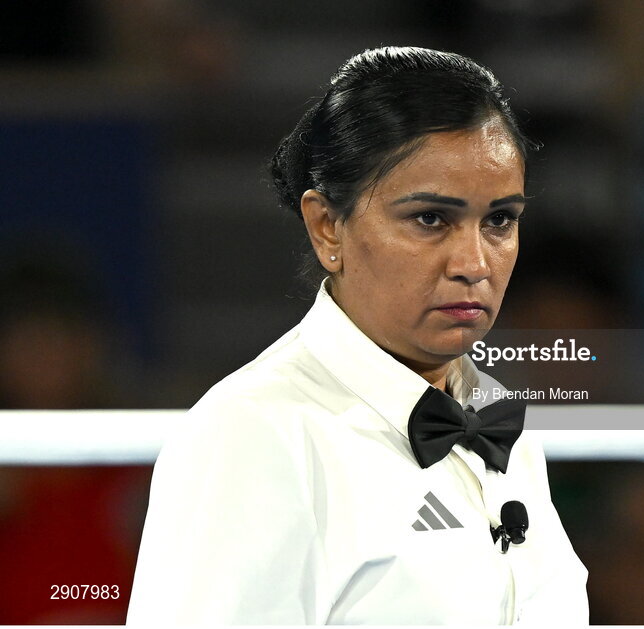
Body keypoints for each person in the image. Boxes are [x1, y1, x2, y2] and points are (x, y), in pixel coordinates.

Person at [127, 46, 589, 624]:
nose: (474, 262)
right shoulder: (252, 435)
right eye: (430, 219)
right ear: (327, 227)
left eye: (499, 219)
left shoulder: (498, 420)